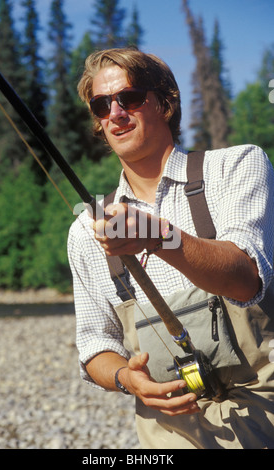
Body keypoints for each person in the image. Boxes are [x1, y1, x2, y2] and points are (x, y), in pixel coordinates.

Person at [67, 47, 274, 449]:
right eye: (101, 104)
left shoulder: (237, 166)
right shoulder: (85, 229)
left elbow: (245, 279)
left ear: (165, 101)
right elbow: (95, 344)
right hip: (168, 432)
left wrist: (161, 237)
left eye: (129, 98)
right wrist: (128, 379)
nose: (116, 113)